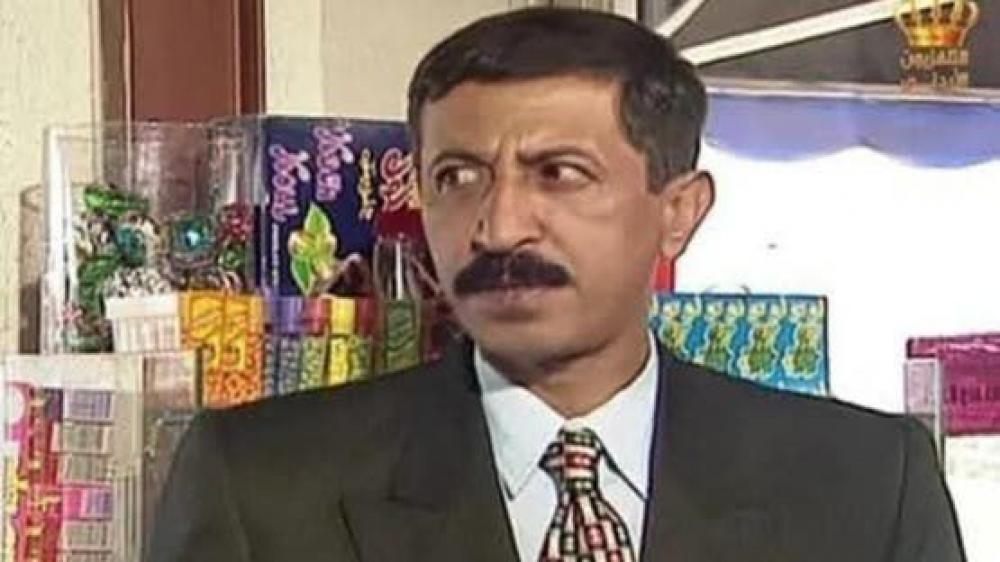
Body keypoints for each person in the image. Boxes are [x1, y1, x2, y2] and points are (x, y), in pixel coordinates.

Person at [149, 7, 964, 562]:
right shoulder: (259, 486)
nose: (500, 228)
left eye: (560, 173)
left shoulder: (865, 486)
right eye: (458, 176)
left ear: (678, 212)